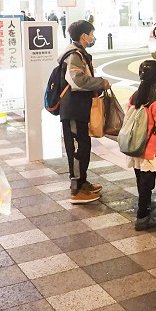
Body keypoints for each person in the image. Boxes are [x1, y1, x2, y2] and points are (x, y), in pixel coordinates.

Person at [59, 20, 110, 204]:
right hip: (72, 109)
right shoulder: (73, 54)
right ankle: (76, 190)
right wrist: (101, 83)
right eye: (91, 34)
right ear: (83, 36)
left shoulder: (79, 53)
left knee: (84, 147)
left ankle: (83, 182)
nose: (92, 37)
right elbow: (77, 81)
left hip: (79, 108)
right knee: (76, 151)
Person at [126, 60, 156, 231]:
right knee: (147, 183)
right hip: (149, 149)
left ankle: (146, 205)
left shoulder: (134, 97)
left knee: (140, 179)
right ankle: (142, 217)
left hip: (134, 146)